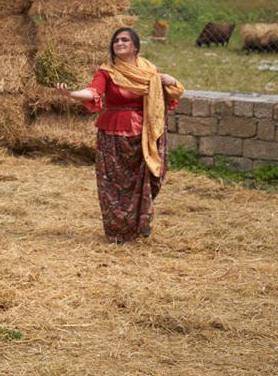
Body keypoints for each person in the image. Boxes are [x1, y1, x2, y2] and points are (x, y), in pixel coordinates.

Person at [56, 26, 184, 243]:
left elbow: (169, 91)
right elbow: (93, 92)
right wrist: (70, 93)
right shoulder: (107, 71)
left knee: (151, 178)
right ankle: (118, 233)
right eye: (116, 41)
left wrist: (171, 80)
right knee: (114, 186)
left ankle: (138, 224)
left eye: (125, 40)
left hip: (145, 134)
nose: (119, 44)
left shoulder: (149, 71)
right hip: (113, 134)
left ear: (135, 46)